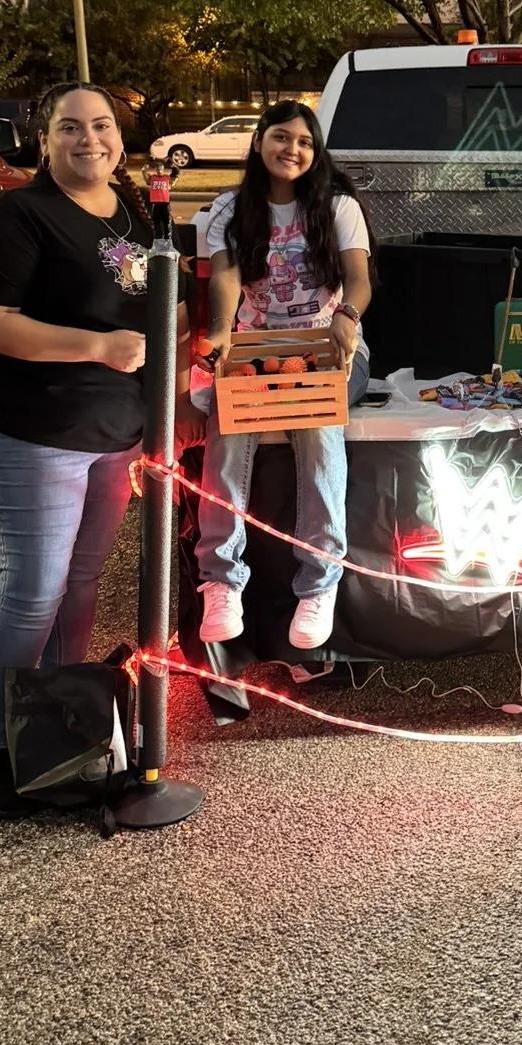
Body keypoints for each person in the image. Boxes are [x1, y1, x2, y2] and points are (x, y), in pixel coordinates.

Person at [0, 83, 155, 819]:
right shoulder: (13, 218)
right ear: (45, 142)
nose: (88, 140)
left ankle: (60, 720)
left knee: (80, 582)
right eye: (70, 128)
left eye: (101, 126)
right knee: (35, 584)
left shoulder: (133, 216)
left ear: (120, 141)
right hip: (24, 430)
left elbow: (152, 305)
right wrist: (97, 348)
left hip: (107, 435)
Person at [194, 101, 372, 661]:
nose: (290, 149)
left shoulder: (338, 204)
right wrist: (222, 330)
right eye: (280, 137)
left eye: (303, 141)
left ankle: (319, 583)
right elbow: (223, 276)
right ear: (258, 143)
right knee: (227, 427)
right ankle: (221, 580)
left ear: (314, 152)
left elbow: (360, 280)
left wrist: (347, 318)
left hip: (330, 347)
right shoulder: (227, 207)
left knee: (317, 428)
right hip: (254, 351)